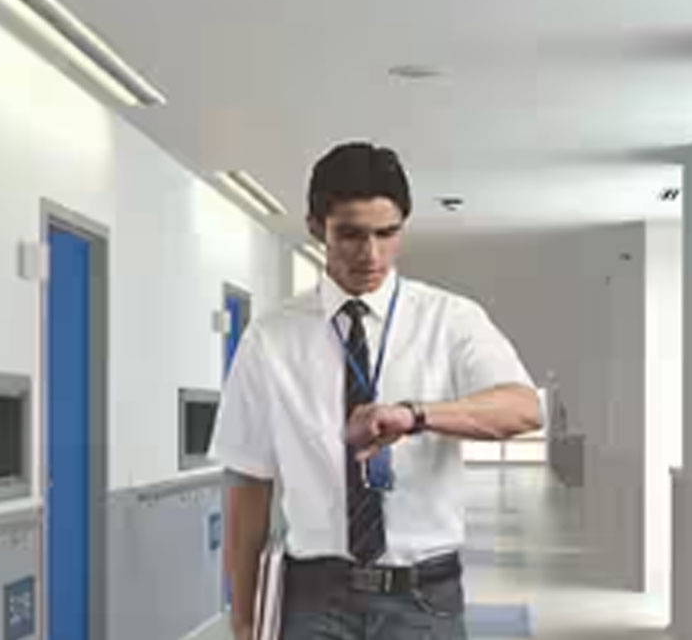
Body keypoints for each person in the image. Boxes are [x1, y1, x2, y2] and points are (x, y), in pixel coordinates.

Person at [213, 143, 540, 640]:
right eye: (350, 234)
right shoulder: (270, 338)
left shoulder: (450, 319)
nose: (371, 254)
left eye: (387, 233)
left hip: (422, 596)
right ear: (315, 227)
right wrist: (243, 621)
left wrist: (416, 415)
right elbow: (248, 483)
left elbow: (523, 407)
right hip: (313, 595)